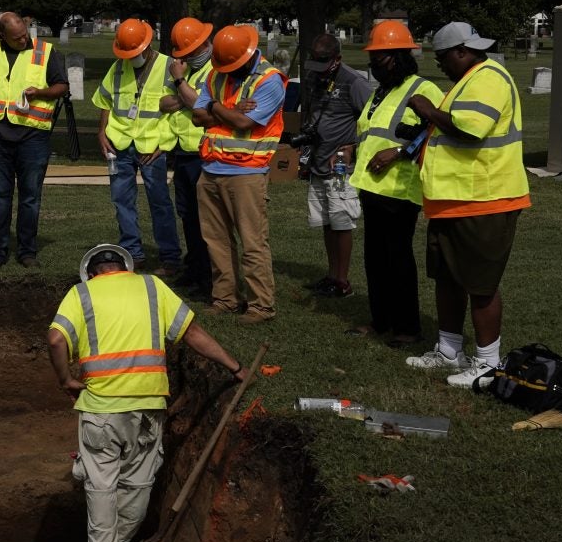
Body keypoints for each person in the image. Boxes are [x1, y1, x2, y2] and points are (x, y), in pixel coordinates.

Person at [47, 244, 249, 542]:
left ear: (92, 273)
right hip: (148, 409)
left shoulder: (81, 294)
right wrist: (235, 367)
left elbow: (56, 340)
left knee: (101, 488)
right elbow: (192, 333)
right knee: (137, 485)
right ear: (124, 267)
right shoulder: (153, 287)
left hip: (101, 410)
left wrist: (65, 381)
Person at [404, 22, 530, 387]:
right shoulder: (467, 80)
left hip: (486, 199)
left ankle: (489, 363)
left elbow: (471, 128)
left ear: (462, 51)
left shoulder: (489, 77)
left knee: (480, 283)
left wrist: (428, 110)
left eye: (442, 58)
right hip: (454, 200)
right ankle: (448, 350)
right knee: (447, 277)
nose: (440, 65)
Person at [348, 21, 443, 347]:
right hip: (372, 186)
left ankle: (407, 328)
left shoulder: (424, 89)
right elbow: (372, 132)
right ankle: (381, 321)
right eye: (374, 56)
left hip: (400, 189)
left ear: (401, 56)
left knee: (398, 259)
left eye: (383, 57)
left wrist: (400, 152)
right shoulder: (381, 92)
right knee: (375, 258)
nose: (376, 63)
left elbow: (433, 132)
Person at [0, 11, 69, 268]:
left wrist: (40, 92)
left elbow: (61, 86)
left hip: (33, 135)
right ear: (1, 35)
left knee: (30, 196)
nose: (23, 40)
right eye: (16, 38)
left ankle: (27, 252)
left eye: (25, 34)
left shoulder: (44, 51)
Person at [190, 24, 286, 324]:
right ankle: (226, 298)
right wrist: (228, 108)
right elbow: (197, 116)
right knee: (215, 239)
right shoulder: (216, 74)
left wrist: (216, 107)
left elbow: (244, 124)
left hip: (247, 171)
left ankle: (261, 305)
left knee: (252, 241)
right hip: (210, 169)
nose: (228, 71)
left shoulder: (270, 81)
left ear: (248, 56)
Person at [92, 19, 182, 277]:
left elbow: (179, 110)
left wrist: (164, 145)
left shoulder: (168, 67)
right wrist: (101, 131)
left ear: (148, 45)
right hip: (119, 144)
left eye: (134, 52)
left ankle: (170, 257)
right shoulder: (118, 67)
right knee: (122, 201)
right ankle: (132, 253)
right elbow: (104, 100)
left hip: (151, 147)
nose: (131, 57)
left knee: (160, 203)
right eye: (126, 53)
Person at [299, 33, 372, 298]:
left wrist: (352, 147)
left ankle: (343, 282)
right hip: (318, 161)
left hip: (341, 167)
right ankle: (332, 275)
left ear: (337, 59)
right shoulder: (314, 77)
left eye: (323, 63)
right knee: (327, 221)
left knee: (341, 221)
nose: (318, 70)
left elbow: (373, 122)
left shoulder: (354, 82)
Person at [162, 17, 215, 295]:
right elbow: (164, 102)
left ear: (205, 45)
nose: (184, 58)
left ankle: (207, 277)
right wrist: (186, 93)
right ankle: (194, 268)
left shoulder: (214, 70)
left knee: (203, 217)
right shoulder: (190, 73)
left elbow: (201, 104)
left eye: (189, 52)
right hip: (182, 152)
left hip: (203, 153)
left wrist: (180, 82)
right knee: (187, 215)